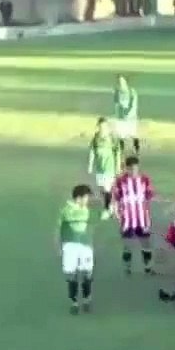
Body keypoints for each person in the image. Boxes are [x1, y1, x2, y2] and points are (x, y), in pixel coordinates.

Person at [112, 156, 155, 275]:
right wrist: (116, 212)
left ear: (138, 167)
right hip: (127, 219)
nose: (133, 171)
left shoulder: (144, 180)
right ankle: (127, 268)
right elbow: (116, 198)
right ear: (126, 168)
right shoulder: (120, 181)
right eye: (130, 169)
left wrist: (147, 213)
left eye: (135, 169)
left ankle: (148, 268)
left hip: (142, 218)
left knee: (145, 243)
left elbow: (149, 196)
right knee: (127, 245)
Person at [58, 185, 96, 314]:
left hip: (85, 246)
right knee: (72, 275)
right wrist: (58, 246)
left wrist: (110, 210)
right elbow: (58, 229)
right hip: (70, 247)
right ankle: (74, 302)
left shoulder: (87, 210)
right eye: (86, 197)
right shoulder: (67, 211)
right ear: (78, 198)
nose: (88, 200)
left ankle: (86, 300)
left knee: (87, 273)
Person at [87, 118, 121, 221]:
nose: (102, 128)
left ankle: (107, 209)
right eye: (100, 126)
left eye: (104, 126)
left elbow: (117, 152)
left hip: (109, 167)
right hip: (99, 168)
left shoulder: (112, 138)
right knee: (103, 189)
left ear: (107, 127)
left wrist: (118, 166)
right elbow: (92, 151)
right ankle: (111, 206)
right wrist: (90, 164)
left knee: (107, 189)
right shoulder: (96, 137)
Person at [112, 75, 140, 157]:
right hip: (120, 117)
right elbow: (116, 104)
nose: (120, 83)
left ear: (126, 82)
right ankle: (121, 151)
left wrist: (128, 114)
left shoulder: (132, 92)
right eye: (119, 81)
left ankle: (136, 150)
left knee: (133, 134)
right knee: (121, 135)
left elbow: (134, 105)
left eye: (122, 81)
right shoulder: (117, 92)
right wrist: (117, 114)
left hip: (131, 118)